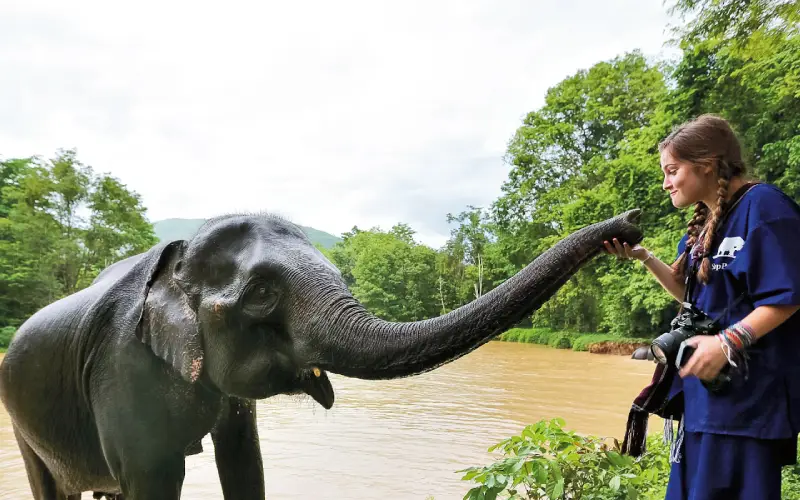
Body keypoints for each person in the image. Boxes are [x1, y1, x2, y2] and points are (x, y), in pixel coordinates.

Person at [606, 114, 800, 499]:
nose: (666, 183)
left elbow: (788, 296)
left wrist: (726, 342)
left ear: (707, 165)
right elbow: (690, 294)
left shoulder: (765, 209)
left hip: (749, 404)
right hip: (703, 398)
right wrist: (645, 257)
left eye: (672, 170)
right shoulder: (708, 223)